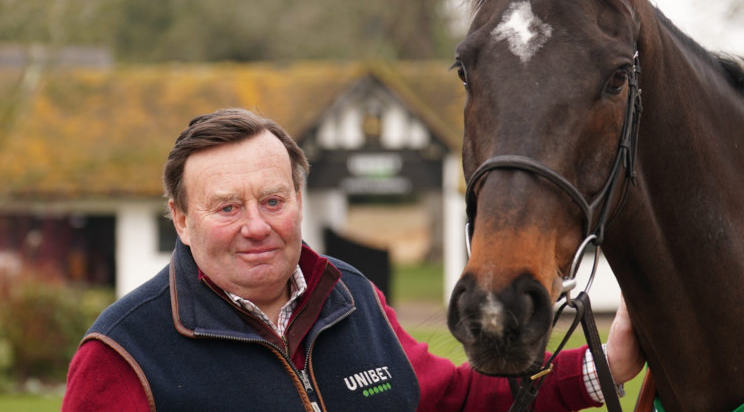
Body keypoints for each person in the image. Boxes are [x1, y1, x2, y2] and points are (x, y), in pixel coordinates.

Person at [62, 108, 644, 411]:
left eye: (272, 200)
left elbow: (457, 402)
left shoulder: (350, 296)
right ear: (182, 220)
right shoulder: (122, 354)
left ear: (298, 200)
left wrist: (603, 366)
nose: (256, 226)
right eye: (225, 207)